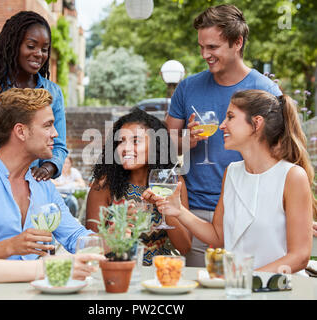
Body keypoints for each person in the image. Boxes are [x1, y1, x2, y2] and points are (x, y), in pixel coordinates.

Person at [144, 90, 315, 274]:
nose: (222, 125)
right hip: (238, 289)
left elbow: (299, 257)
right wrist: (179, 211)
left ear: (256, 123)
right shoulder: (232, 172)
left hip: (279, 289)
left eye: (230, 117)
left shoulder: (292, 176)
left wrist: (245, 279)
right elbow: (218, 237)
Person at [165, 4, 282, 267]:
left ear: (237, 42)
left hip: (249, 212)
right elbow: (163, 148)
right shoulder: (188, 88)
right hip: (196, 211)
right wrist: (186, 140)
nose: (205, 54)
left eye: (213, 47)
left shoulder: (265, 90)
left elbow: (282, 155)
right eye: (201, 47)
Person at [0, 101, 105, 300]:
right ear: (21, 131)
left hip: (37, 292)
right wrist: (9, 247)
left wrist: (117, 238)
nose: (55, 133)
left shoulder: (43, 185)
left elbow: (75, 237)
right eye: (47, 125)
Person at [0, 11, 67, 181]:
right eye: (31, 46)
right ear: (13, 45)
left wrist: (48, 168)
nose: (39, 54)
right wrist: (1, 134)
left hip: (31, 185)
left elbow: (58, 147)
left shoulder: (53, 93)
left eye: (44, 49)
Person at [86, 108, 191, 266]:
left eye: (135, 141)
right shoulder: (104, 185)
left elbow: (184, 247)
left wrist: (165, 207)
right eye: (121, 141)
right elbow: (92, 247)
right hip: (119, 269)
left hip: (161, 272)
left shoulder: (173, 182)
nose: (125, 148)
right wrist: (120, 226)